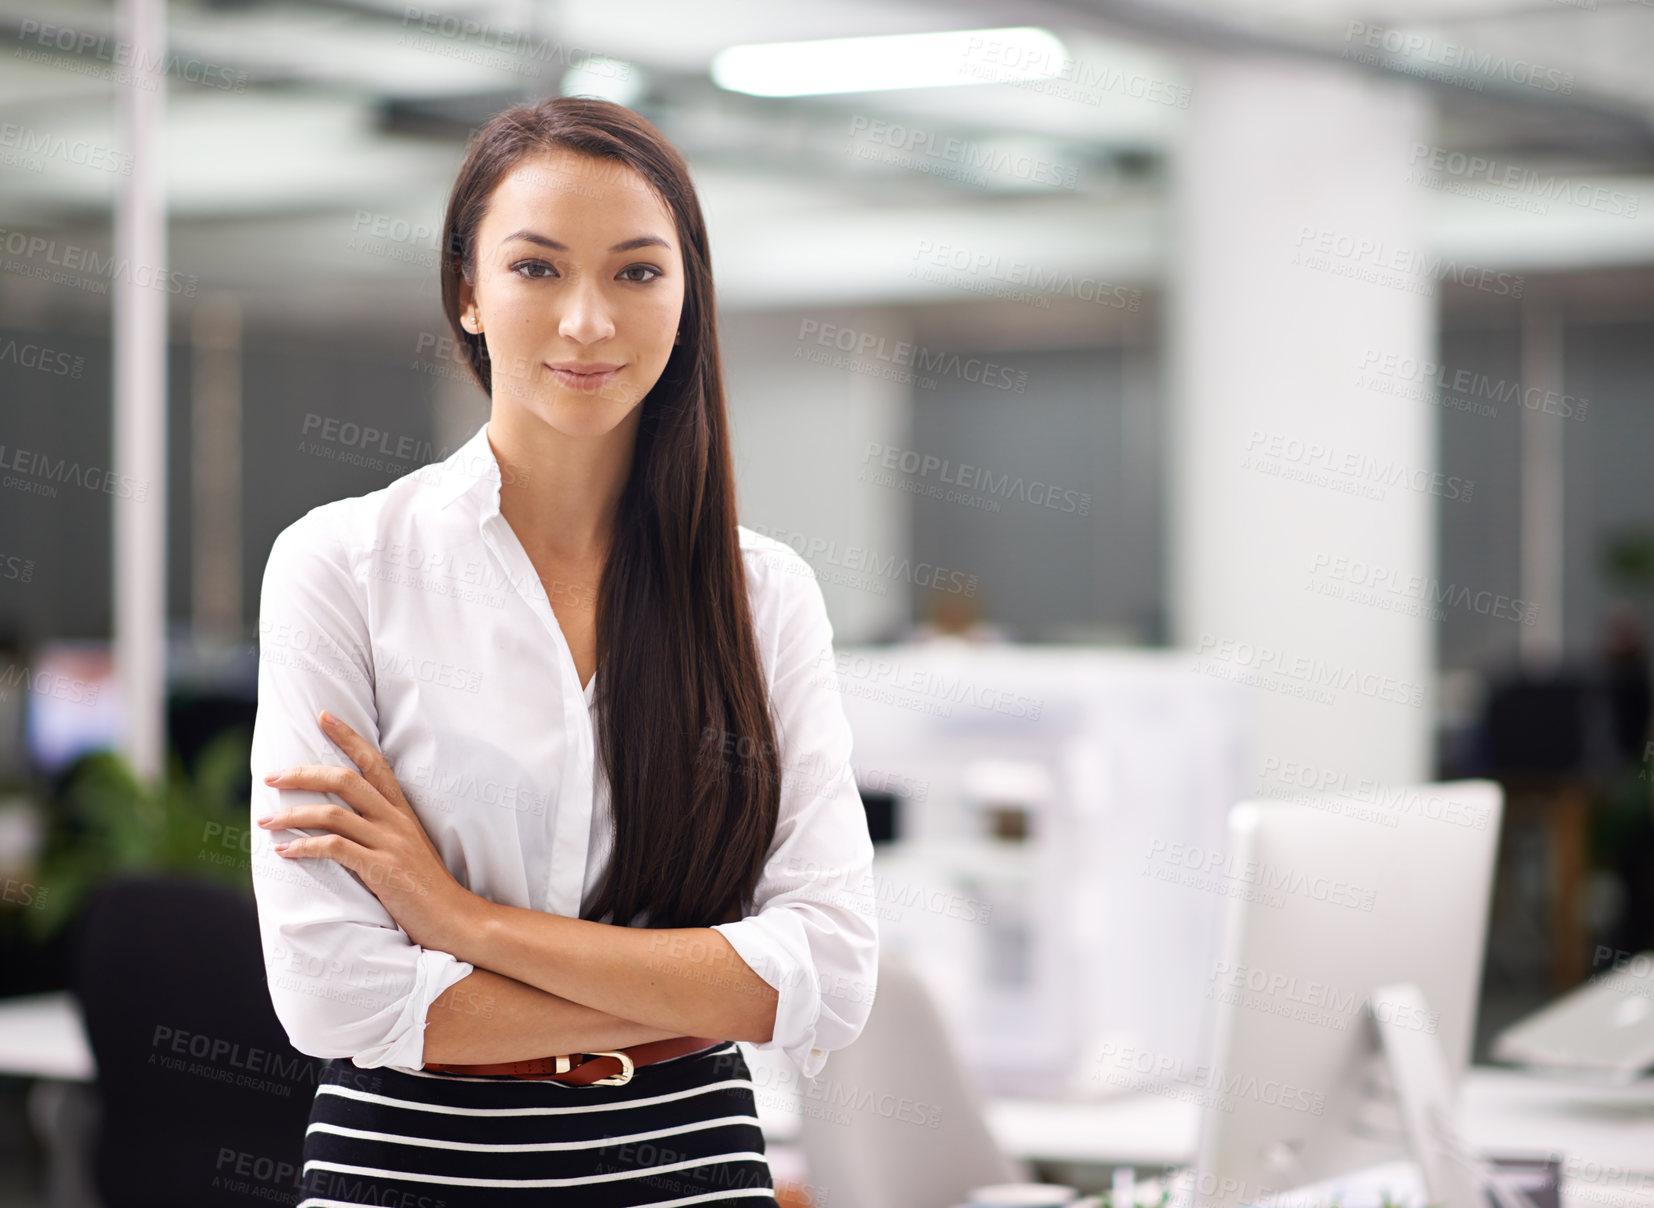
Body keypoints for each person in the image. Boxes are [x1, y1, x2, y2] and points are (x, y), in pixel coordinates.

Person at [248, 96, 879, 1206]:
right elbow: (331, 994)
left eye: (637, 272)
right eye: (537, 269)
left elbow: (831, 969)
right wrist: (715, 983)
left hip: (688, 1162)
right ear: (467, 292)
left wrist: (465, 924)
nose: (588, 320)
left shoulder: (763, 593)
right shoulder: (342, 564)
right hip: (411, 1164)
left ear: (687, 296)